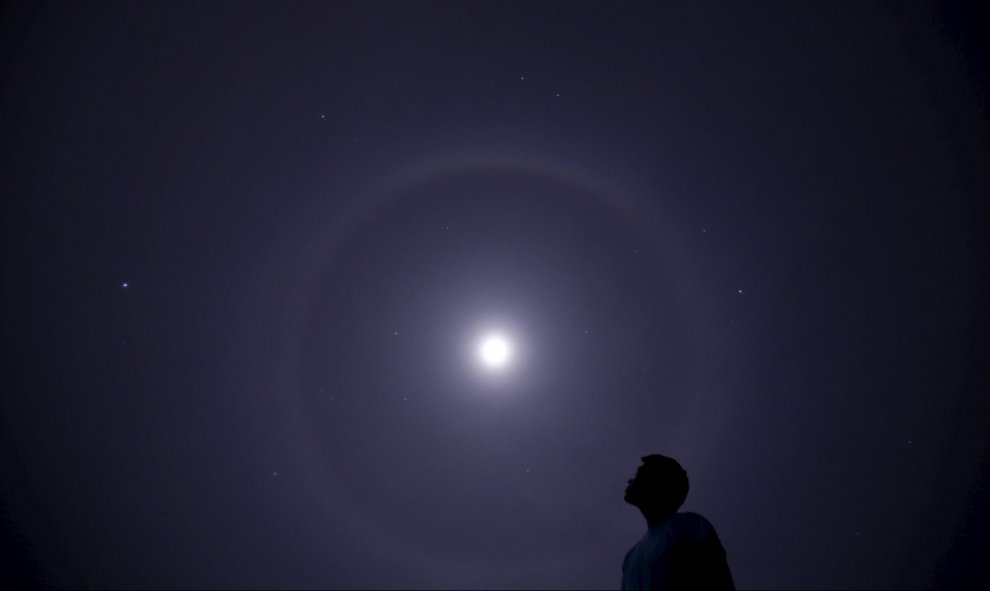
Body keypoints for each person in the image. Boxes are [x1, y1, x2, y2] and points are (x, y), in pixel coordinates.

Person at [622, 454, 735, 590]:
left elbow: (719, 580)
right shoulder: (630, 558)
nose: (630, 480)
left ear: (656, 481)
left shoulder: (689, 526)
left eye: (638, 475)